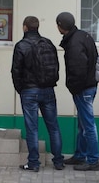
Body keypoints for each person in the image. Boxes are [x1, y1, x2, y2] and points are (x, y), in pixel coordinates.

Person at [11, 16, 64, 172]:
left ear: (25, 27)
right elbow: (56, 66)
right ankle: (58, 161)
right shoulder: (48, 43)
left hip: (29, 90)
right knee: (53, 126)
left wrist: (20, 89)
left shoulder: (21, 46)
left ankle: (34, 163)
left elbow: (15, 71)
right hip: (48, 89)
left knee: (32, 128)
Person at [56, 12, 99, 171]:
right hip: (89, 86)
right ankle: (80, 155)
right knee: (83, 124)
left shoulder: (74, 43)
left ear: (60, 26)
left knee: (88, 124)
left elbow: (78, 69)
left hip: (83, 88)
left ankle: (93, 160)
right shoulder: (83, 36)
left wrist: (74, 88)